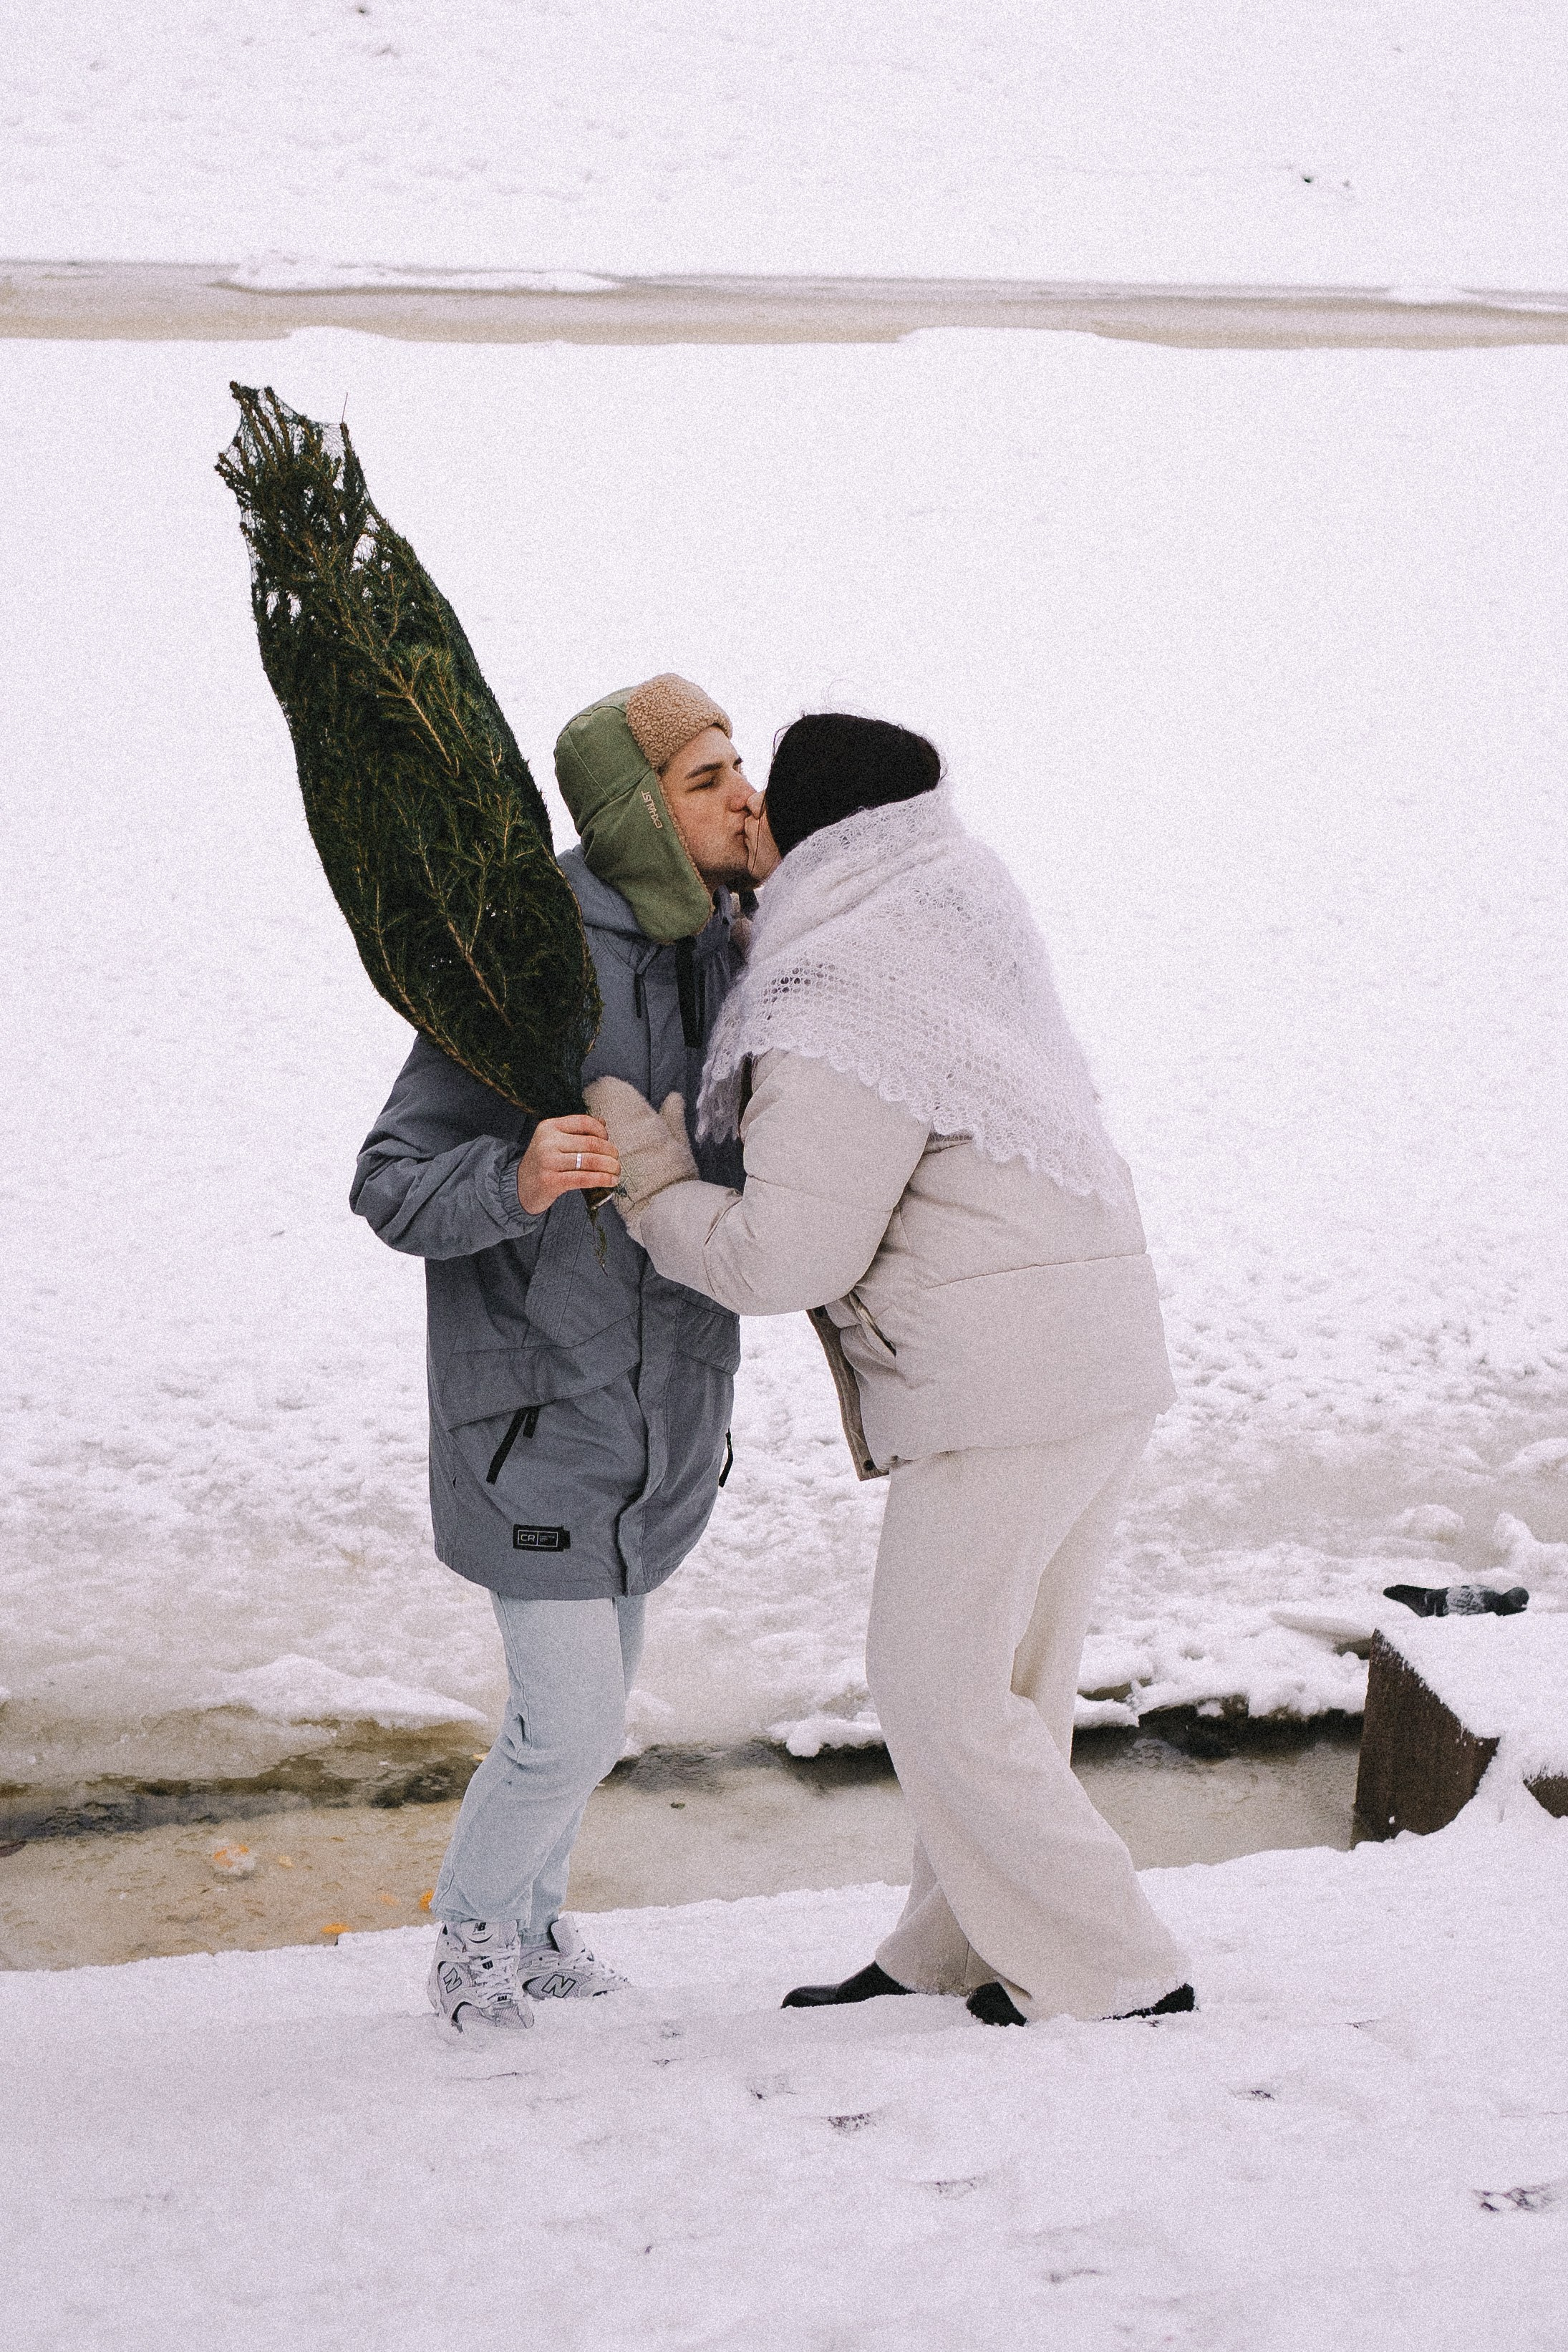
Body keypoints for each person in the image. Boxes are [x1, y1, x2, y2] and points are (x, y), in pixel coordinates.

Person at [588, 713, 1194, 2027]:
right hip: (1091, 1350)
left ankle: (1116, 1972)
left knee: (935, 1686)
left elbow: (783, 1256)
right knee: (1006, 1681)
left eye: (767, 807)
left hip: (1005, 1382)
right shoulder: (950, 905)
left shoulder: (836, 995)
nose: (747, 816)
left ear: (821, 837)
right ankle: (956, 1945)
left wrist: (652, 1181)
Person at [352, 675, 758, 2036]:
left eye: (737, 765)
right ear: (638, 811)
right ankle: (471, 1938)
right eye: (706, 778)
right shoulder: (521, 957)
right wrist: (514, 1175)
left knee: (592, 1711)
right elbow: (389, 1178)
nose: (742, 795)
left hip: (664, 1411)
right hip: (532, 1416)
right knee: (570, 1722)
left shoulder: (730, 951)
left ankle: (532, 1930)